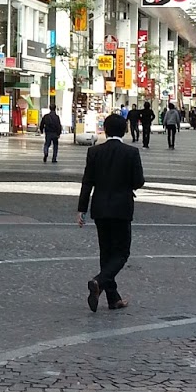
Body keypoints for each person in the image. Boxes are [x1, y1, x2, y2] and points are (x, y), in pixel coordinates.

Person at [76, 113, 144, 312]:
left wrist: (81, 209)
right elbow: (138, 181)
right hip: (121, 208)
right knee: (122, 252)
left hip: (100, 208)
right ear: (125, 130)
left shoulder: (94, 152)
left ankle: (113, 298)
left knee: (106, 252)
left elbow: (87, 182)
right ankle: (99, 281)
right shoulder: (131, 153)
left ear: (105, 130)